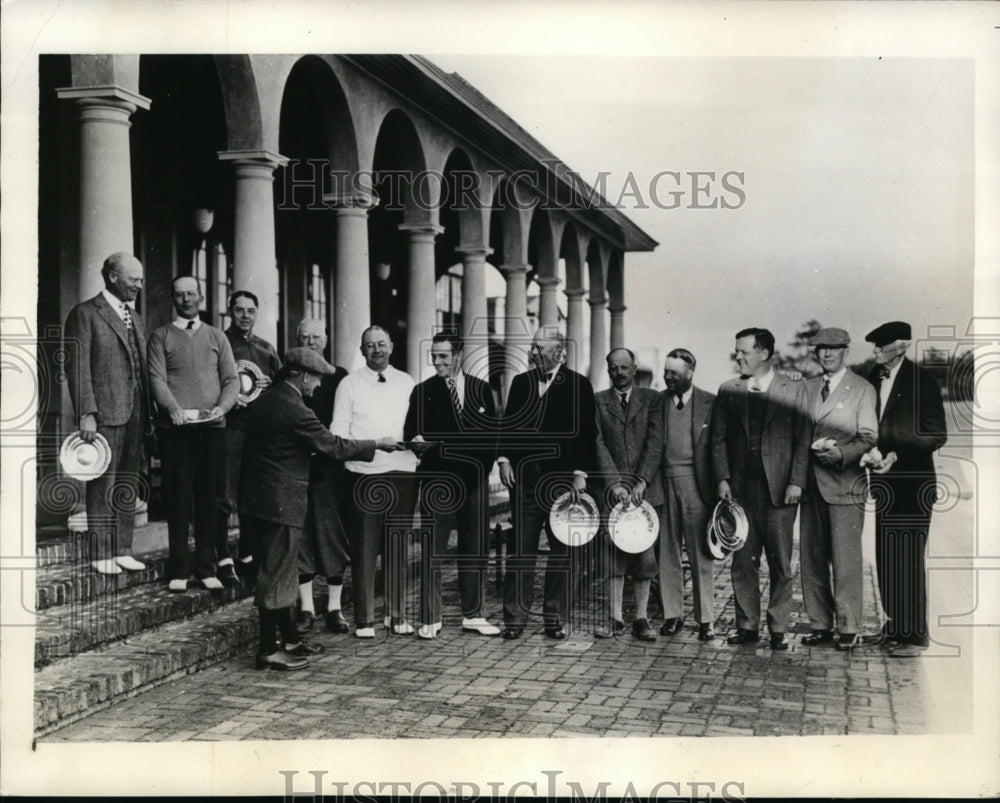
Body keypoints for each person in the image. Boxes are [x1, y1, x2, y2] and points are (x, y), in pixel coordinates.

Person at [239, 347, 396, 670]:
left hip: (260, 500)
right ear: (301, 375)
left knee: (278, 571)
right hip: (281, 504)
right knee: (277, 575)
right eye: (317, 378)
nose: (320, 385)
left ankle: (291, 639)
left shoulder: (268, 399)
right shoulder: (295, 408)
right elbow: (333, 446)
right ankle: (269, 649)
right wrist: (376, 444)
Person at [712, 327, 810, 650]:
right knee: (743, 561)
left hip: (781, 491)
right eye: (736, 351)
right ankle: (747, 626)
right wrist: (723, 478)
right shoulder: (728, 390)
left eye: (744, 351)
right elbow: (719, 439)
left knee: (781, 561)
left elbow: (802, 439)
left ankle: (779, 627)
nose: (737, 356)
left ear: (764, 354)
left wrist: (797, 481)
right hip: (741, 492)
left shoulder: (793, 390)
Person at [498, 327, 597, 640]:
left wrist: (581, 472)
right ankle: (514, 619)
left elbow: (585, 433)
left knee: (562, 552)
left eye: (540, 347)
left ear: (559, 351)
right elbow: (508, 424)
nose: (534, 352)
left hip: (562, 483)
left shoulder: (579, 385)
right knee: (520, 551)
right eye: (533, 347)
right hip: (525, 479)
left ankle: (554, 617)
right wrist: (503, 459)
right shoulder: (521, 382)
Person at [403, 332, 501, 639]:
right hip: (437, 483)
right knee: (432, 551)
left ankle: (474, 614)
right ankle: (430, 618)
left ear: (458, 355)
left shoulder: (481, 389)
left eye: (443, 356)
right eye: (434, 356)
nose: (437, 362)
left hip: (474, 481)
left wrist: (453, 451)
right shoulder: (423, 391)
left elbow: (491, 438)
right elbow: (415, 435)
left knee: (475, 551)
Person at [147, 276, 239, 592]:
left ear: (200, 297)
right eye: (179, 294)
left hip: (212, 429)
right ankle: (180, 569)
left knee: (209, 499)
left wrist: (222, 408)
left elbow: (231, 380)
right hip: (177, 431)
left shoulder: (216, 337)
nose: (186, 299)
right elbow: (156, 379)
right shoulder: (160, 337)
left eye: (191, 293)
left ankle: (206, 567)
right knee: (178, 498)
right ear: (173, 299)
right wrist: (172, 409)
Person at [63, 252, 152, 575]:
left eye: (141, 280)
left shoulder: (135, 317)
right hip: (105, 412)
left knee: (128, 480)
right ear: (113, 277)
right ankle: (101, 552)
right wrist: (86, 412)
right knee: (102, 483)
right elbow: (78, 367)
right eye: (134, 279)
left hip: (136, 412)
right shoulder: (85, 313)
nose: (140, 285)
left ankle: (123, 548)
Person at [863, 320, 947, 658]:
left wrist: (897, 452)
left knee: (908, 556)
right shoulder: (874, 377)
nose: (875, 353)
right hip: (884, 482)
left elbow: (936, 434)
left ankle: (915, 635)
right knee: (887, 555)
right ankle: (895, 625)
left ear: (901, 346)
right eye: (875, 348)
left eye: (880, 347)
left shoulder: (922, 380)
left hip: (913, 483)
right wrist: (872, 450)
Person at [331, 326, 419, 638]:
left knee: (397, 546)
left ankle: (395, 615)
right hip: (364, 474)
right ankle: (365, 619)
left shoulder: (406, 381)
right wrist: (374, 444)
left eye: (382, 344)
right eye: (370, 345)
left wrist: (416, 441)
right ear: (362, 349)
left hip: (403, 472)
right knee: (364, 548)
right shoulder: (349, 384)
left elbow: (415, 423)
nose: (377, 350)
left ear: (392, 347)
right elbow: (338, 433)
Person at [799, 328, 878, 650]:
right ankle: (820, 625)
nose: (827, 355)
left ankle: (849, 627)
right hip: (811, 485)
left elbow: (869, 436)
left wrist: (842, 454)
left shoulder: (862, 389)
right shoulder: (806, 388)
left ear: (845, 351)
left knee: (845, 561)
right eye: (821, 349)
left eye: (833, 349)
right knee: (812, 559)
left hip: (846, 485)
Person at [592, 348, 663, 641]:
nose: (619, 373)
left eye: (624, 367)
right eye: (613, 368)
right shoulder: (598, 402)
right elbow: (597, 443)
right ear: (608, 371)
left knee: (644, 559)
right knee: (613, 559)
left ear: (634, 368)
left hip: (644, 495)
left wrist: (641, 482)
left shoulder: (652, 400)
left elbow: (656, 441)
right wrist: (615, 483)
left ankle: (642, 619)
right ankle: (615, 619)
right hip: (613, 496)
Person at [217, 290, 281, 586]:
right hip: (229, 428)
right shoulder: (219, 342)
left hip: (259, 433)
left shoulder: (266, 349)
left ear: (257, 313)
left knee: (253, 495)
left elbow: (282, 390)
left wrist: (270, 386)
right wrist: (227, 399)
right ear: (230, 311)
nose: (245, 316)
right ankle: (223, 557)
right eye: (239, 310)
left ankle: (247, 553)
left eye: (250, 310)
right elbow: (207, 382)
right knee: (225, 495)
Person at [293, 318, 352, 634]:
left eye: (316, 336)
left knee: (330, 534)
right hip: (297, 467)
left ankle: (334, 608)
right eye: (304, 337)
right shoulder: (287, 377)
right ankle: (306, 608)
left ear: (326, 339)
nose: (311, 341)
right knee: (301, 535)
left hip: (329, 468)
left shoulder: (339, 377)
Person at [657, 348, 718, 641]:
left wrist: (722, 483)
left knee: (700, 553)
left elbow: (719, 447)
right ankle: (672, 615)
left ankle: (706, 619)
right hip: (664, 483)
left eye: (674, 373)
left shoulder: (709, 402)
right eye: (666, 371)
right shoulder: (658, 402)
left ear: (690, 373)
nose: (668, 377)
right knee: (667, 552)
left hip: (696, 485)